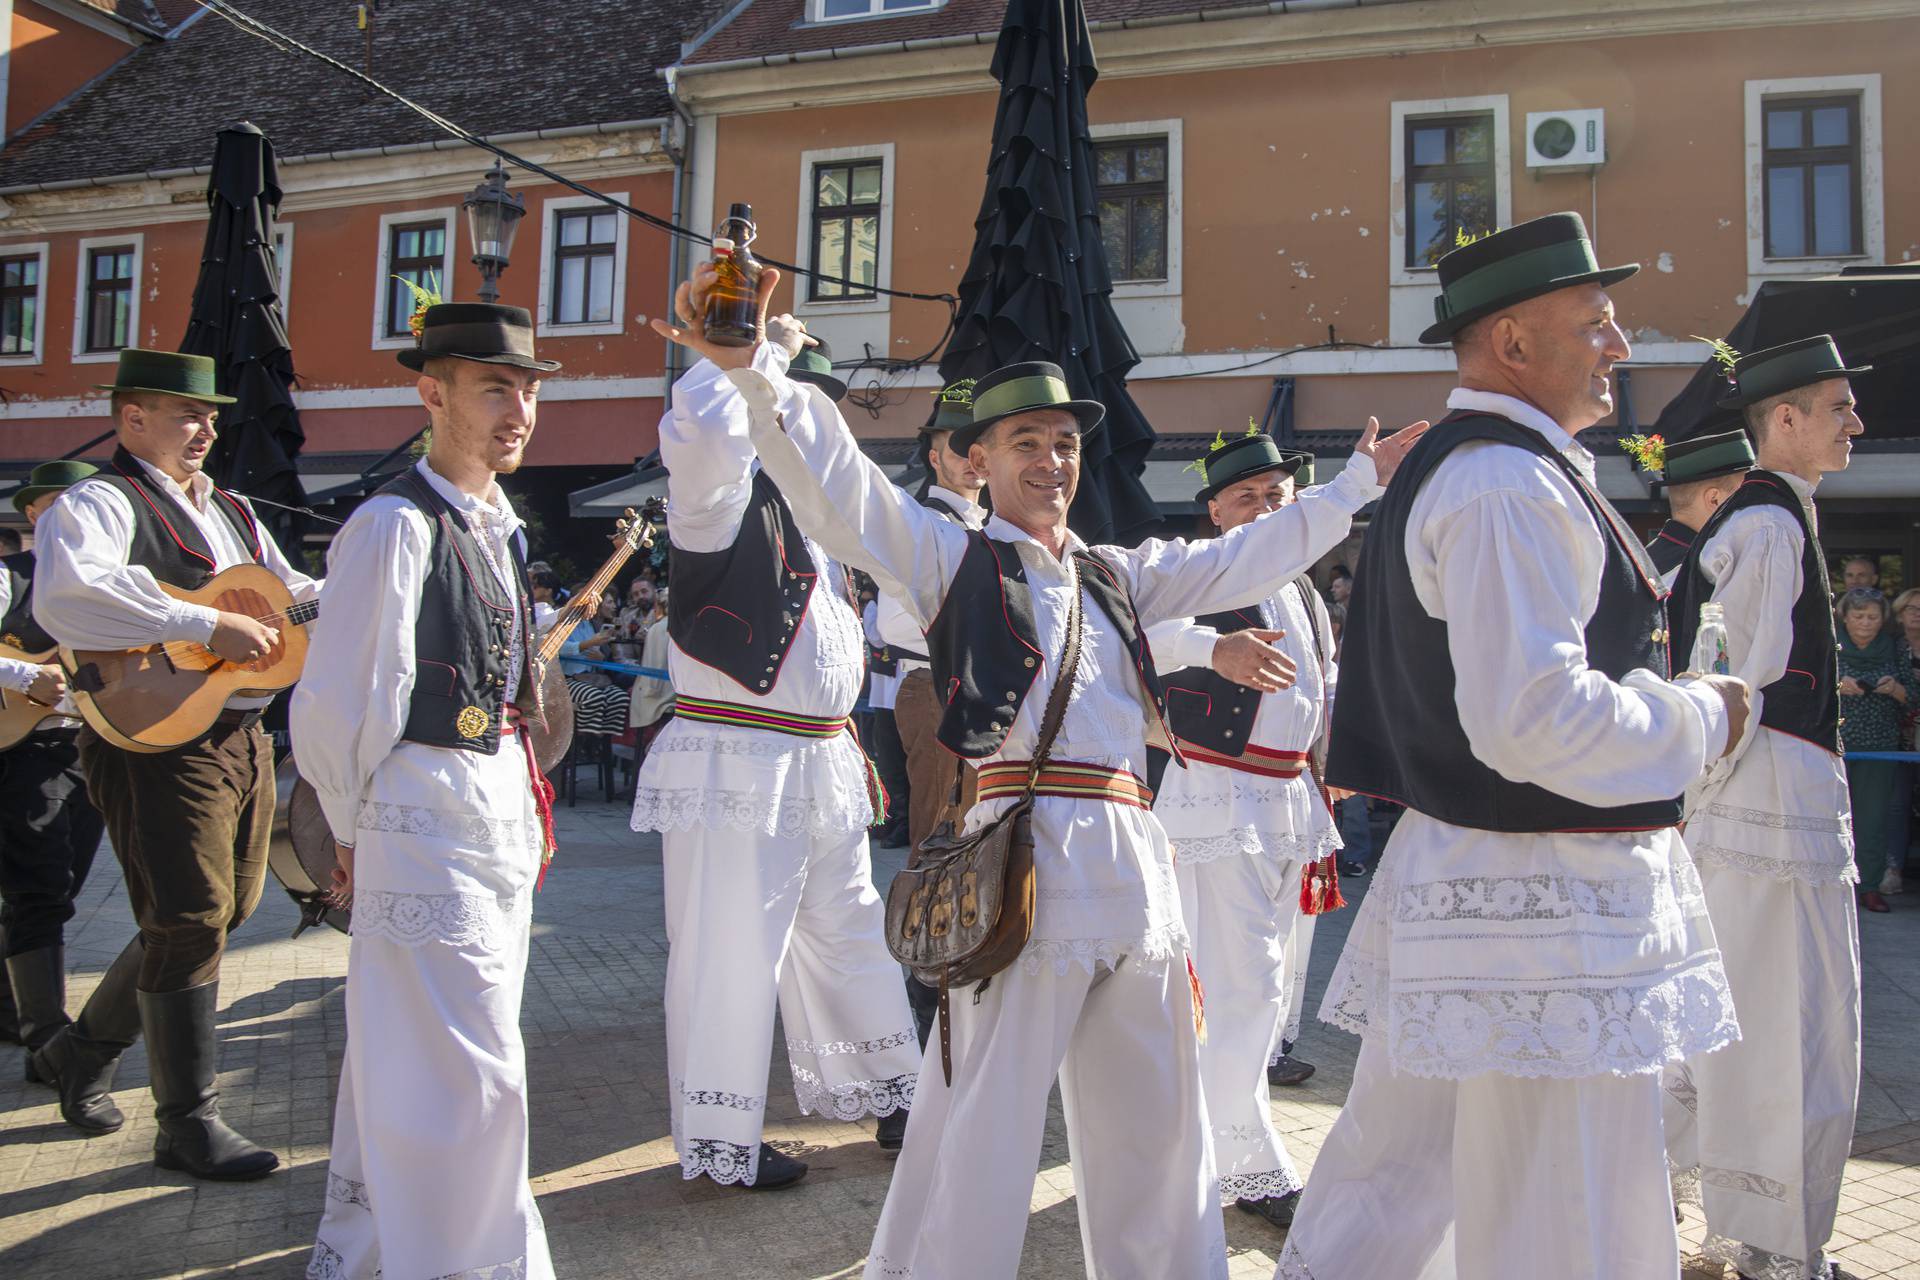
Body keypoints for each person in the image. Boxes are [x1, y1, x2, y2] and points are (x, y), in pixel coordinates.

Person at [656, 259, 1428, 1278]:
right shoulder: (948, 557)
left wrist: (1359, 487)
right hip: (1020, 869)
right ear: (980, 459)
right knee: (982, 1123)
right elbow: (838, 489)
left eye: (1065, 443)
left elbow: (1243, 557)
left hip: (1135, 876)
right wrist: (754, 368)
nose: (1054, 460)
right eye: (1028, 441)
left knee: (1160, 1127)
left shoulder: (1118, 574)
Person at [1282, 213, 1748, 1280]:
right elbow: (1535, 717)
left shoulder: (1508, 470)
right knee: (1557, 1194)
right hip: (1537, 904)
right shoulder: (1504, 484)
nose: (1620, 344)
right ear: (1513, 345)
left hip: (1499, 886)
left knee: (1412, 1175)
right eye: (1595, 322)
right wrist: (1704, 716)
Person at [632, 296, 919, 1191]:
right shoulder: (718, 503)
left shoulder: (824, 530)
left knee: (849, 931)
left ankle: (894, 1087)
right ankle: (724, 1139)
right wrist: (748, 363)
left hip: (821, 759)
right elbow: (703, 440)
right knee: (731, 952)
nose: (802, 427)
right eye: (791, 408)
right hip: (738, 759)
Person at [296, 302, 556, 1278]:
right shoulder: (391, 526)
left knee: (409, 1056)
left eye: (527, 388)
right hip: (420, 811)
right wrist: (349, 823)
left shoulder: (499, 526)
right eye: (496, 387)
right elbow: (338, 699)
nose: (519, 408)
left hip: (484, 813)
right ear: (431, 392)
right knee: (470, 1070)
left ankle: (374, 1248)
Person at [30, 348, 319, 1178]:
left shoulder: (230, 509)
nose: (207, 428)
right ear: (132, 418)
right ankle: (186, 1122)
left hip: (239, 732)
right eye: (188, 413)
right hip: (153, 735)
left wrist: (359, 581)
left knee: (220, 910)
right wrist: (199, 625)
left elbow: (286, 586)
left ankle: (82, 1051)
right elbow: (68, 594)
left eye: (211, 415)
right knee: (191, 914)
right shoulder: (96, 500)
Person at [1664, 333, 1869, 1280]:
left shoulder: (1773, 517)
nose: (1855, 422)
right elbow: (1732, 682)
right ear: (1781, 420)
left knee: (1746, 1019)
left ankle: (1744, 1227)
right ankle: (1774, 1246)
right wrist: (1698, 799)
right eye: (1837, 407)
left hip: (1758, 803)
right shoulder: (1768, 525)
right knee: (1790, 1024)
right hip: (1764, 807)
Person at [1145, 434, 1354, 1231]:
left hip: (1287, 795)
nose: (1268, 508)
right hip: (1218, 796)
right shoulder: (1202, 569)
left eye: (1278, 496)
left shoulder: (1297, 587)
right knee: (1241, 987)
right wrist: (1209, 648)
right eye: (1250, 497)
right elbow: (1145, 644)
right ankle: (1248, 1160)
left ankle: (1202, 1138)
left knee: (1268, 989)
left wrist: (1330, 765)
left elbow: (1323, 683)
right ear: (1216, 511)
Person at [880, 379, 989, 1048]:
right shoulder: (920, 522)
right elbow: (896, 619)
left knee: (980, 830)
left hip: (980, 692)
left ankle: (962, 954)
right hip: (938, 688)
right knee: (940, 831)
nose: (974, 456)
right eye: (959, 443)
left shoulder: (987, 523)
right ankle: (924, 976)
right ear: (934, 453)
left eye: (983, 442)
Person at [0, 462, 107, 1060]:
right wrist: (24, 674)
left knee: (64, 883)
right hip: (23, 748)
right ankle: (44, 1034)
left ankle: (9, 1007)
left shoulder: (114, 585)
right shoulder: (10, 578)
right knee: (39, 888)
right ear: (38, 515)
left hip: (88, 746)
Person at [1837, 588, 1914, 913]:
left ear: (1883, 619)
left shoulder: (1897, 648)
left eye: (1872, 617)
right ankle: (1835, 889)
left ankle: (1869, 886)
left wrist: (1896, 689)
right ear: (1845, 617)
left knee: (1873, 820)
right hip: (1836, 743)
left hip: (1880, 746)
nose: (1865, 624)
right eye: (1858, 616)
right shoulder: (1830, 642)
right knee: (1833, 818)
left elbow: (1914, 695)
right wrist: (1838, 685)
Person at [1643, 429, 1756, 587]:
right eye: (1745, 493)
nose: (1754, 503)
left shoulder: (1643, 559)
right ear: (1714, 499)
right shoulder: (1698, 571)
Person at [1893, 586, 1920, 893]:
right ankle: (1893, 869)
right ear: (1900, 615)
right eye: (1911, 608)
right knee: (1897, 806)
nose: (1917, 614)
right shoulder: (1892, 648)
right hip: (1896, 738)